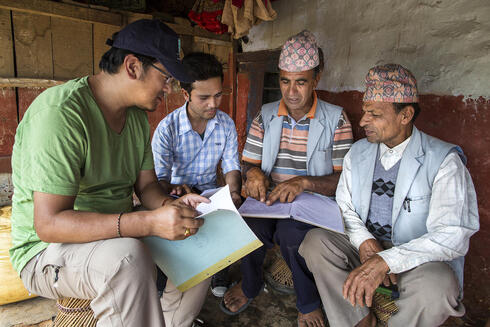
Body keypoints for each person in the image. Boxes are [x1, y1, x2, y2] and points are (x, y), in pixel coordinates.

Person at [10, 19, 213, 327]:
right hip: (46, 252)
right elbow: (49, 225)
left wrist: (170, 208)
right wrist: (147, 221)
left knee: (200, 236)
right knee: (125, 260)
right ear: (132, 66)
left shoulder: (135, 119)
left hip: (114, 232)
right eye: (167, 77)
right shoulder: (61, 115)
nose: (169, 90)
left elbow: (147, 188)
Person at [299, 64, 479, 327]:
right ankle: (357, 320)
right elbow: (344, 205)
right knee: (315, 243)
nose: (362, 121)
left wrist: (387, 260)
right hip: (365, 246)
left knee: (439, 287)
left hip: (414, 257)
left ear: (405, 115)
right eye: (364, 111)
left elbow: (453, 234)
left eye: (375, 114)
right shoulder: (359, 152)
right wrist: (363, 241)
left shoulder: (443, 161)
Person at [221, 30, 354, 327]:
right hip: (270, 200)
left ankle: (307, 303)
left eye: (301, 82)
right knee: (248, 227)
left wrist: (304, 183)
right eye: (284, 81)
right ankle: (250, 285)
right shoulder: (265, 115)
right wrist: (253, 173)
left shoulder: (336, 119)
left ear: (316, 80)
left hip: (312, 204)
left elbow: (343, 179)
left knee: (294, 237)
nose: (291, 92)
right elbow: (249, 163)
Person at [151, 52, 242, 297]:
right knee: (172, 226)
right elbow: (159, 178)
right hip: (177, 193)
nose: (213, 104)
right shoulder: (167, 129)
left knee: (228, 216)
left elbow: (232, 165)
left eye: (218, 95)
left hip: (211, 192)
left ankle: (219, 270)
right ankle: (165, 275)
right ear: (185, 94)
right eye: (204, 97)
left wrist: (233, 193)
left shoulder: (226, 124)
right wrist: (173, 189)